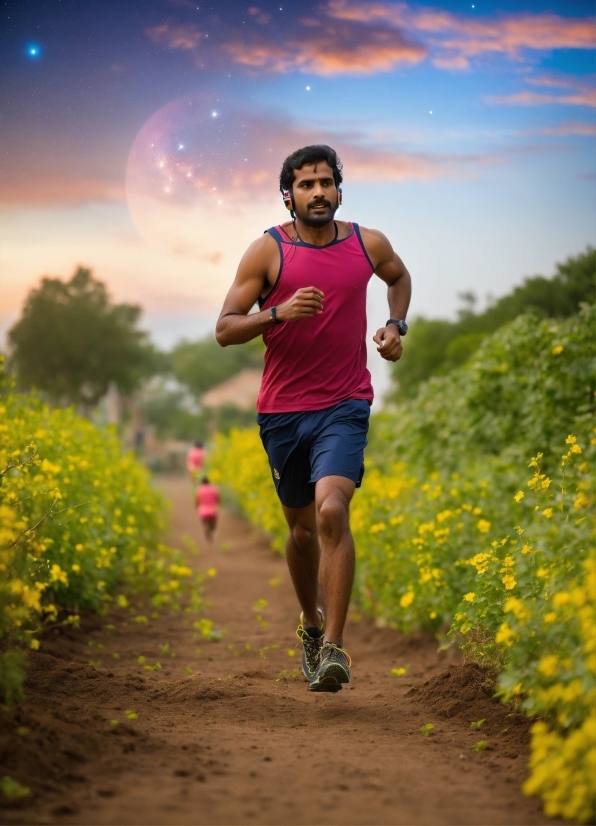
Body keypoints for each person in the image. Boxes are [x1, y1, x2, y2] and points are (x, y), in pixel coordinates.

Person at [215, 144, 411, 692]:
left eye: (326, 182)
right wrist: (277, 312)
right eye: (306, 184)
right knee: (301, 532)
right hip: (281, 411)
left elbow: (399, 277)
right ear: (289, 195)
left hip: (346, 403)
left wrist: (396, 325)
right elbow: (225, 327)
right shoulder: (267, 252)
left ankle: (334, 649)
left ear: (339, 190)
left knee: (331, 511)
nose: (318, 191)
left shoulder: (367, 244)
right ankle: (310, 620)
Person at [196, 476, 220, 541]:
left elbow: (197, 501)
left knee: (205, 524)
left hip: (203, 511)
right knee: (213, 525)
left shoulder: (199, 490)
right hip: (212, 511)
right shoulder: (214, 489)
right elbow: (218, 500)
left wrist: (197, 507)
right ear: (209, 482)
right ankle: (211, 531)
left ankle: (207, 532)